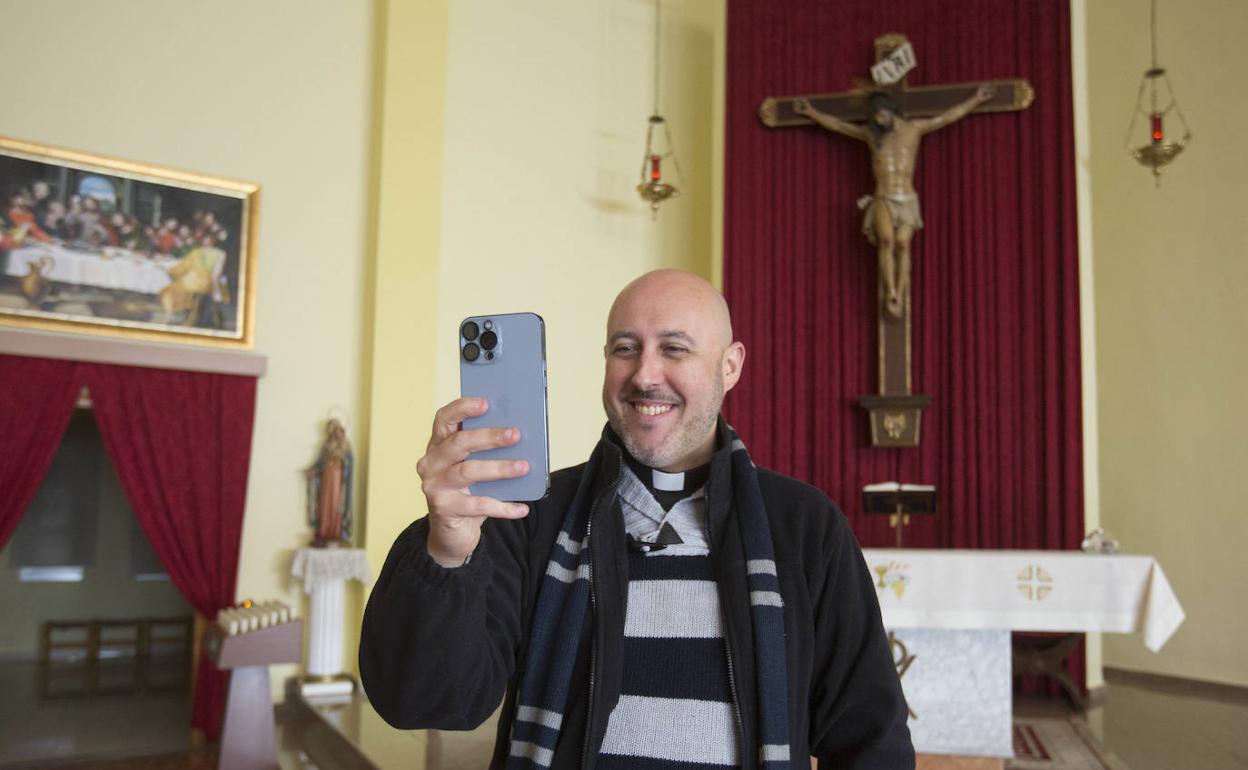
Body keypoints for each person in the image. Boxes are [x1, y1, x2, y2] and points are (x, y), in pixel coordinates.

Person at [359, 270, 913, 769]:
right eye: (626, 348)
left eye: (674, 349)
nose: (645, 374)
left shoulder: (804, 526)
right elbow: (425, 703)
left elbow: (871, 743)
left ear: (730, 366)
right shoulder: (528, 515)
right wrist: (447, 551)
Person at [793, 85, 994, 318]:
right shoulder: (872, 136)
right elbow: (840, 126)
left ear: (890, 110)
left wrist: (975, 100)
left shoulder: (913, 129)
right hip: (883, 197)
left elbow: (946, 117)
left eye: (880, 114)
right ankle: (891, 292)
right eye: (875, 117)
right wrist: (812, 113)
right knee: (887, 241)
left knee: (902, 243)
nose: (877, 120)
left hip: (907, 198)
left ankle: (900, 289)